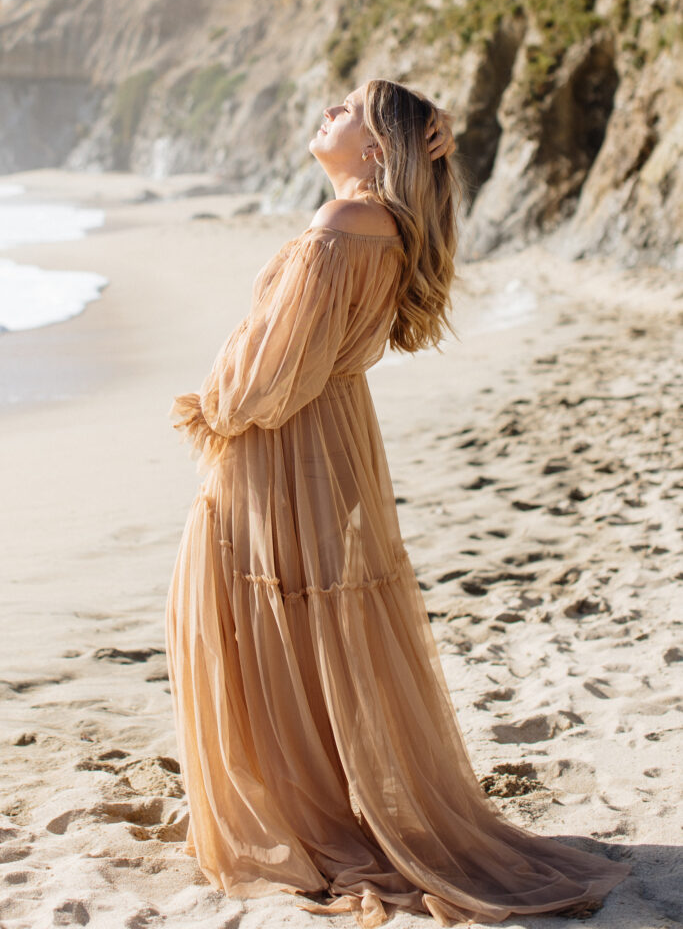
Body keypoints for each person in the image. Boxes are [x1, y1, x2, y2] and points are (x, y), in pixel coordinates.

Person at [166, 78, 630, 927]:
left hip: (288, 441)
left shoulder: (343, 225)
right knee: (312, 621)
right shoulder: (379, 223)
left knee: (272, 616)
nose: (325, 108)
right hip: (333, 435)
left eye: (345, 107)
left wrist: (216, 406)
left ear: (377, 148)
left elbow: (270, 370)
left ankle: (302, 811)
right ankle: (318, 795)